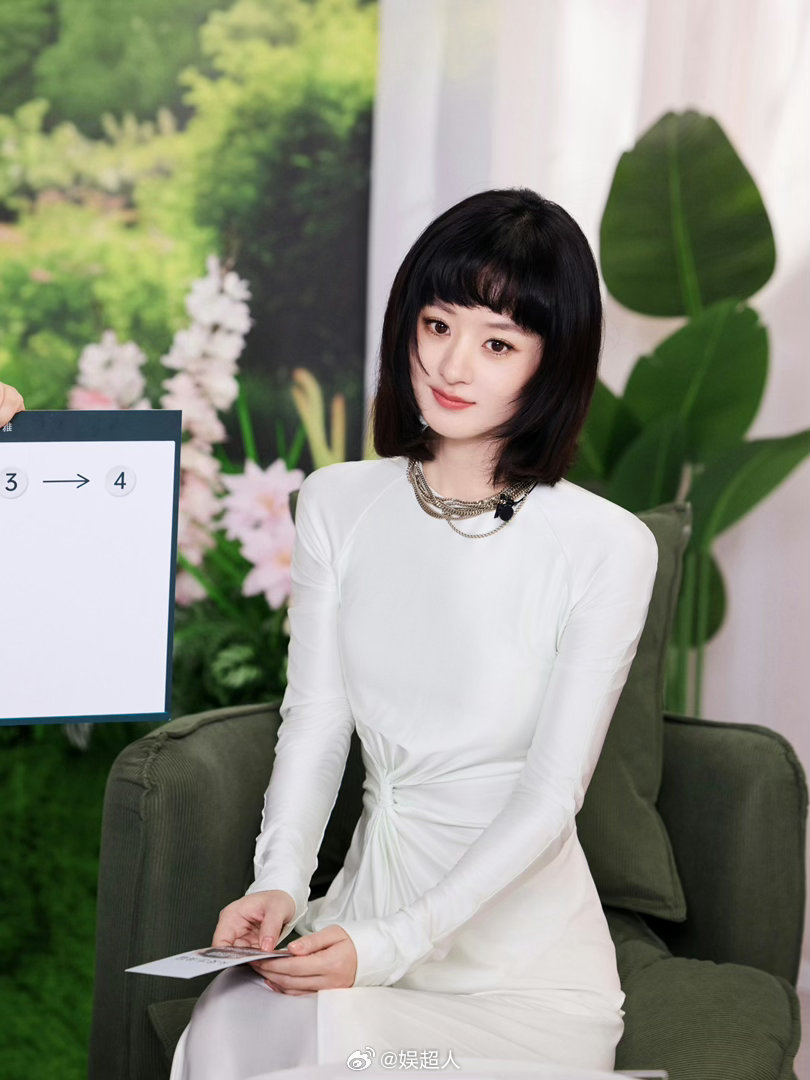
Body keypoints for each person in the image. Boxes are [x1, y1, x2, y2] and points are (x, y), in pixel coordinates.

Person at [1, 187, 660, 1078]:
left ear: (553, 363)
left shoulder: (607, 545)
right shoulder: (339, 502)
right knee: (226, 1036)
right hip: (351, 923)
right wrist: (279, 882)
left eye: (498, 343)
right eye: (437, 325)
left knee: (339, 1060)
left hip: (520, 977)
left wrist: (389, 946)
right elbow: (315, 722)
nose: (452, 365)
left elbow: (550, 798)